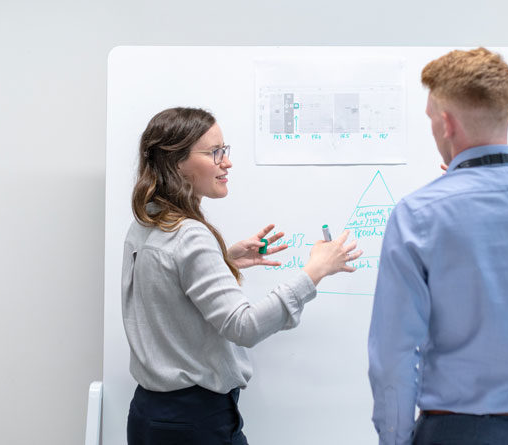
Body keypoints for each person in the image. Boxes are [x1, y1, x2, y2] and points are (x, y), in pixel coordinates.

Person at [368, 48, 508, 445]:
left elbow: (394, 356)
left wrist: (394, 439)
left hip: (458, 431)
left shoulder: (419, 214)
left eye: (431, 120)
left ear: (447, 124)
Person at [122, 107, 362, 445]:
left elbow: (165, 286)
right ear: (177, 163)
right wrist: (315, 271)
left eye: (225, 150)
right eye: (214, 152)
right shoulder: (190, 235)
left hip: (151, 415)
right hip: (195, 423)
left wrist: (224, 259)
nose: (226, 162)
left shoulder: (149, 220)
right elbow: (244, 327)